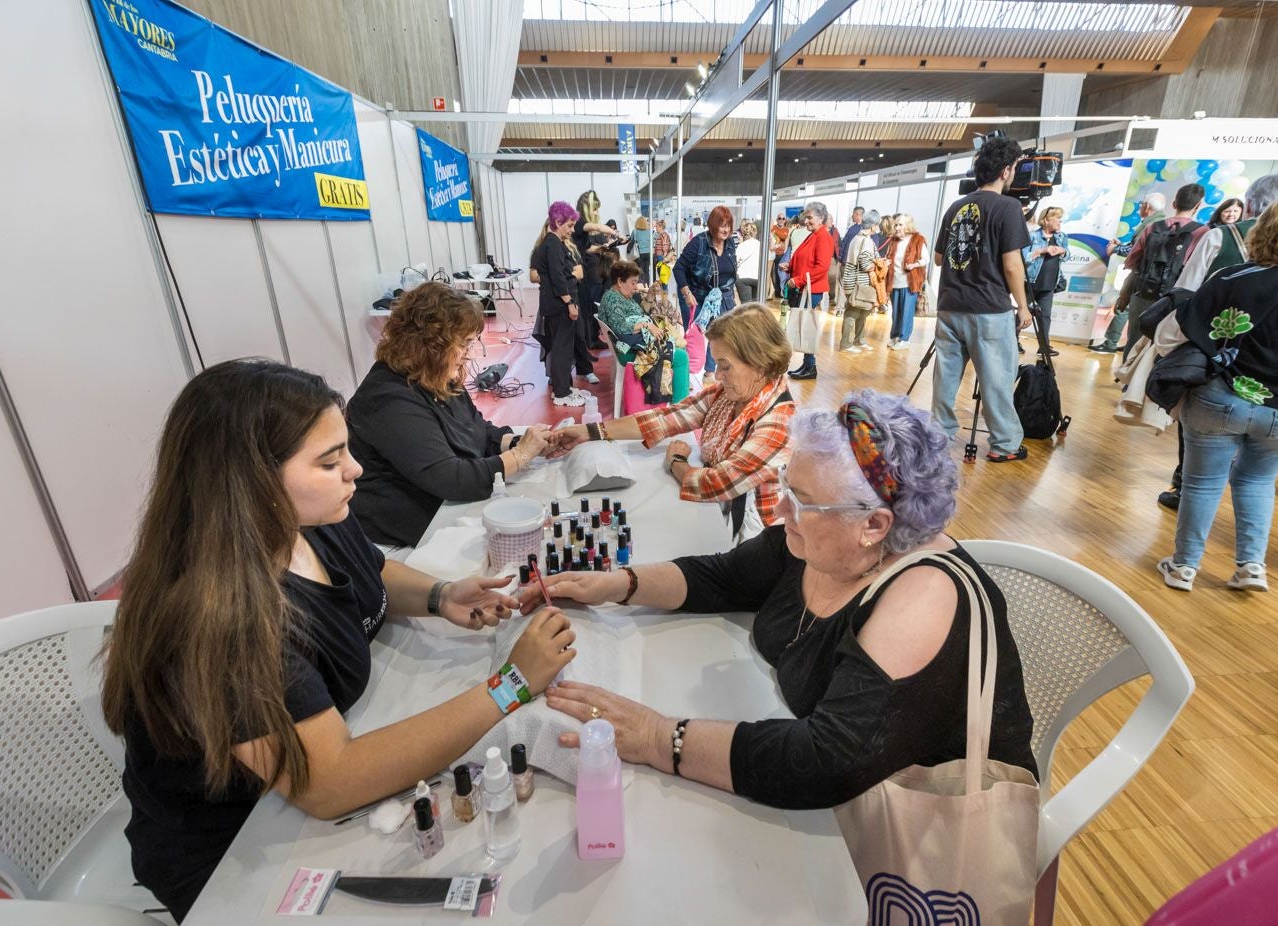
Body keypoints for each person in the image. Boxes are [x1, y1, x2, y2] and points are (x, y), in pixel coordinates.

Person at [101, 359, 576, 922]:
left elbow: (371, 571)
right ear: (249, 483)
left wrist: (440, 596)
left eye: (346, 450)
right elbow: (329, 781)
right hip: (234, 856)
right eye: (329, 462)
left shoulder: (311, 516)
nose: (354, 470)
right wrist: (511, 686)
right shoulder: (221, 618)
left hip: (298, 792)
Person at [522, 391, 1035, 833]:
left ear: (875, 525)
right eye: (787, 485)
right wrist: (616, 584)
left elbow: (824, 763)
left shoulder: (925, 597)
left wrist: (660, 737)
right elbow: (723, 576)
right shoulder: (823, 544)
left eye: (801, 499)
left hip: (906, 835)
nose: (781, 508)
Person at [1157, 190, 1278, 593]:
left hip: (1220, 398)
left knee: (1202, 483)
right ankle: (1250, 567)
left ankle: (1183, 567)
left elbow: (1187, 330)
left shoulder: (1233, 277)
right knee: (1257, 481)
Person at [548, 305, 795, 540]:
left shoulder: (778, 423)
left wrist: (675, 461)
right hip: (721, 518)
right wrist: (590, 431)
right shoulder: (729, 395)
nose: (718, 375)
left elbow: (713, 485)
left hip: (756, 541)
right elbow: (666, 419)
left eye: (725, 366)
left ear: (760, 363)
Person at [347, 284, 553, 550]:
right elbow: (451, 479)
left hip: (441, 505)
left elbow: (478, 430)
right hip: (413, 525)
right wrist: (520, 456)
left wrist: (522, 442)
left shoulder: (434, 376)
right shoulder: (387, 400)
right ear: (429, 345)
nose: (469, 353)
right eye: (464, 344)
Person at [1153, 172, 1278, 510]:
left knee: (1201, 424)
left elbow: (1186, 293)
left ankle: (1185, 485)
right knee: (1257, 466)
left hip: (1215, 354)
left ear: (1250, 203)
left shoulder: (1220, 238)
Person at [931, 135, 1034, 463]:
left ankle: (939, 435)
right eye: (1015, 166)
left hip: (950, 304)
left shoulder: (956, 207)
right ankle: (1004, 444)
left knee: (945, 378)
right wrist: (1023, 305)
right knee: (996, 377)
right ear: (1006, 170)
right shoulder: (1008, 208)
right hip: (989, 308)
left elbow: (937, 258)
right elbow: (1012, 264)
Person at [1094, 182, 1205, 357]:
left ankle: (1127, 382)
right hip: (1176, 297)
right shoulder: (1202, 232)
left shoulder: (1153, 227)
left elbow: (1132, 260)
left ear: (1174, 204)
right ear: (1198, 206)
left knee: (1134, 340)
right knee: (1163, 347)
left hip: (1143, 291)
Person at [530, 200, 596, 407]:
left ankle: (563, 387)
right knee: (562, 348)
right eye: (569, 225)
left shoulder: (553, 244)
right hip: (559, 305)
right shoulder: (553, 244)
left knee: (563, 348)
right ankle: (561, 391)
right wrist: (569, 302)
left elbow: (561, 275)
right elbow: (558, 277)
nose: (572, 230)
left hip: (556, 304)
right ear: (558, 222)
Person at [598, 260, 689, 405]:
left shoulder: (621, 297)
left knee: (679, 348)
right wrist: (647, 326)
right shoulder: (613, 299)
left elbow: (641, 313)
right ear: (620, 282)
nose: (636, 287)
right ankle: (681, 406)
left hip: (631, 344)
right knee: (681, 356)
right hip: (629, 349)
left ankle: (678, 387)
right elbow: (620, 327)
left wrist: (649, 297)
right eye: (633, 283)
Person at [674, 205, 738, 375]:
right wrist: (686, 293)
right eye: (722, 225)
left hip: (722, 297)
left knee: (719, 334)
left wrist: (731, 295)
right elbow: (678, 268)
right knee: (695, 336)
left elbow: (730, 272)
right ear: (713, 225)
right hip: (696, 295)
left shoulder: (730, 243)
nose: (726, 230)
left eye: (728, 225)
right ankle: (688, 372)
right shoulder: (699, 242)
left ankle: (710, 372)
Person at [784, 201, 835, 380]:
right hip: (805, 287)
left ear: (821, 218)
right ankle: (807, 364)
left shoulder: (823, 237)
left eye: (809, 217)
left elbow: (821, 267)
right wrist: (789, 267)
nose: (806, 221)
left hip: (810, 289)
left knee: (807, 328)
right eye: (806, 217)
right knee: (805, 327)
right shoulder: (814, 235)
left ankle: (810, 366)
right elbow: (804, 258)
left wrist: (797, 279)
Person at [573, 190, 622, 350]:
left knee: (589, 309)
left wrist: (602, 248)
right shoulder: (580, 223)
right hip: (583, 274)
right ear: (587, 208)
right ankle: (587, 342)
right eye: (595, 209)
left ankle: (590, 341)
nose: (597, 212)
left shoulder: (582, 228)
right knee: (586, 312)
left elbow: (587, 248)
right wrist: (614, 232)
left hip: (586, 274)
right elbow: (595, 226)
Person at [1022, 206, 1070, 356]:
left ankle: (1044, 347)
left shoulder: (1062, 237)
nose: (1060, 222)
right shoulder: (1032, 236)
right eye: (1058, 219)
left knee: (1045, 316)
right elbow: (1023, 258)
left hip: (1049, 284)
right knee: (1021, 315)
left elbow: (1067, 256)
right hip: (1030, 282)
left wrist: (1063, 251)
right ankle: (1012, 342)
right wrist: (1041, 251)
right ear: (1047, 220)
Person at [885, 213, 929, 351]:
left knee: (906, 312)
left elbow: (926, 259)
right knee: (896, 312)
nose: (897, 227)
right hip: (895, 281)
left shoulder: (918, 239)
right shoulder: (893, 240)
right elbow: (889, 256)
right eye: (896, 225)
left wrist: (914, 265)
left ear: (908, 226)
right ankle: (895, 336)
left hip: (910, 282)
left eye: (900, 225)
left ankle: (904, 339)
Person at [838, 210, 879, 354]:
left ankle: (858, 340)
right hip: (859, 283)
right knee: (853, 312)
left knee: (862, 311)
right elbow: (865, 265)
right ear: (873, 225)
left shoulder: (857, 238)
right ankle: (846, 343)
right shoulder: (866, 241)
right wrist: (880, 264)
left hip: (853, 281)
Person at [735, 219, 762, 303]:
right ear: (755, 232)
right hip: (757, 277)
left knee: (746, 307)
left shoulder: (741, 246)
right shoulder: (760, 245)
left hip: (743, 277)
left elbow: (736, 261)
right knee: (755, 307)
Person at [769, 213, 791, 293]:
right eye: (779, 218)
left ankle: (779, 291)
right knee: (771, 274)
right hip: (771, 253)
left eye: (783, 218)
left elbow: (784, 236)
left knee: (779, 273)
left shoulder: (786, 230)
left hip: (781, 254)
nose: (781, 220)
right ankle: (776, 289)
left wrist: (775, 232)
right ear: (776, 220)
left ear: (785, 220)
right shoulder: (773, 228)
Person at [631, 215, 653, 282]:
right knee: (646, 270)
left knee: (639, 270)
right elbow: (652, 241)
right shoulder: (649, 231)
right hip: (648, 253)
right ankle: (647, 285)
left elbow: (632, 241)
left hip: (639, 253)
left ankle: (641, 286)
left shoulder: (634, 231)